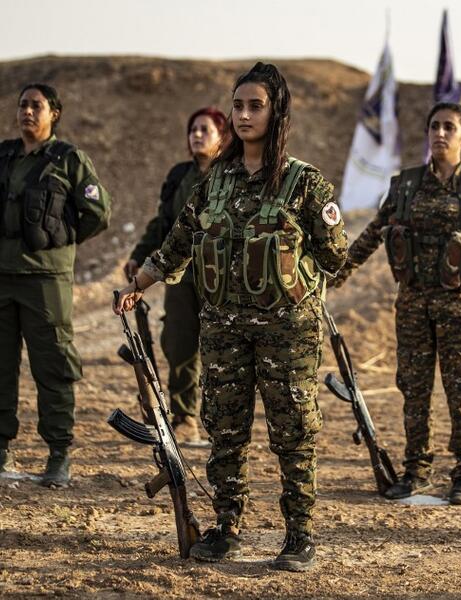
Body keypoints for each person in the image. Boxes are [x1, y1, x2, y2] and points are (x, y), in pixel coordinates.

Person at [113, 62, 347, 571]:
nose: (243, 115)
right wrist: (138, 285)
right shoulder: (216, 179)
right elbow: (178, 242)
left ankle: (299, 535)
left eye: (254, 105)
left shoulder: (304, 182)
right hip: (222, 328)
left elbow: (336, 258)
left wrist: (294, 274)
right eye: (237, 105)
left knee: (293, 430)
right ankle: (227, 526)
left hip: (288, 332)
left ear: (276, 110)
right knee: (225, 429)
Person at [334, 102, 461, 505]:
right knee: (414, 389)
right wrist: (341, 270)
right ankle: (416, 469)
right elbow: (374, 232)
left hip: (460, 305)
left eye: (449, 128)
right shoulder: (405, 185)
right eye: (434, 126)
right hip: (413, 303)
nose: (440, 134)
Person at [0, 83, 111, 487]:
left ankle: (58, 454)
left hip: (45, 279)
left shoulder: (69, 160)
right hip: (2, 276)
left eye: (37, 106)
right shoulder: (4, 155)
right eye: (23, 105)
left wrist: (60, 240)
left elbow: (98, 212)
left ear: (54, 114)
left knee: (53, 366)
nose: (27, 111)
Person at [124, 107, 227, 445]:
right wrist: (139, 257)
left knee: (224, 350)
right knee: (179, 343)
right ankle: (185, 416)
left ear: (222, 137)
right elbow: (164, 224)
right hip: (180, 275)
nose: (197, 135)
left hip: (223, 278)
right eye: (193, 129)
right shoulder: (179, 176)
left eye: (205, 130)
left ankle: (224, 419)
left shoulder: (232, 175)